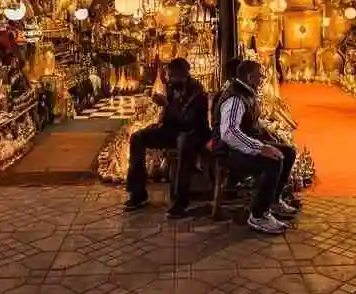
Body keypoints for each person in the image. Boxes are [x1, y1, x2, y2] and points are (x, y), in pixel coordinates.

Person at [215, 59, 299, 235]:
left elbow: (250, 123)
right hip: (231, 152)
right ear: (248, 76)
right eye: (259, 75)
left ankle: (273, 200)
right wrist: (260, 148)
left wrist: (267, 138)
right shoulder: (236, 98)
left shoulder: (246, 93)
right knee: (273, 160)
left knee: (288, 152)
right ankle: (258, 214)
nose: (262, 78)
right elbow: (229, 133)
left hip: (244, 145)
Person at [124, 58, 211, 217]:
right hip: (173, 131)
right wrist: (160, 119)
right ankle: (138, 193)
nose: (169, 79)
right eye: (168, 76)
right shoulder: (172, 87)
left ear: (183, 75)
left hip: (194, 134)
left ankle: (181, 200)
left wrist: (167, 104)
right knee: (138, 137)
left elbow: (189, 122)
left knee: (184, 143)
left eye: (172, 76)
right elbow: (171, 117)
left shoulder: (197, 91)